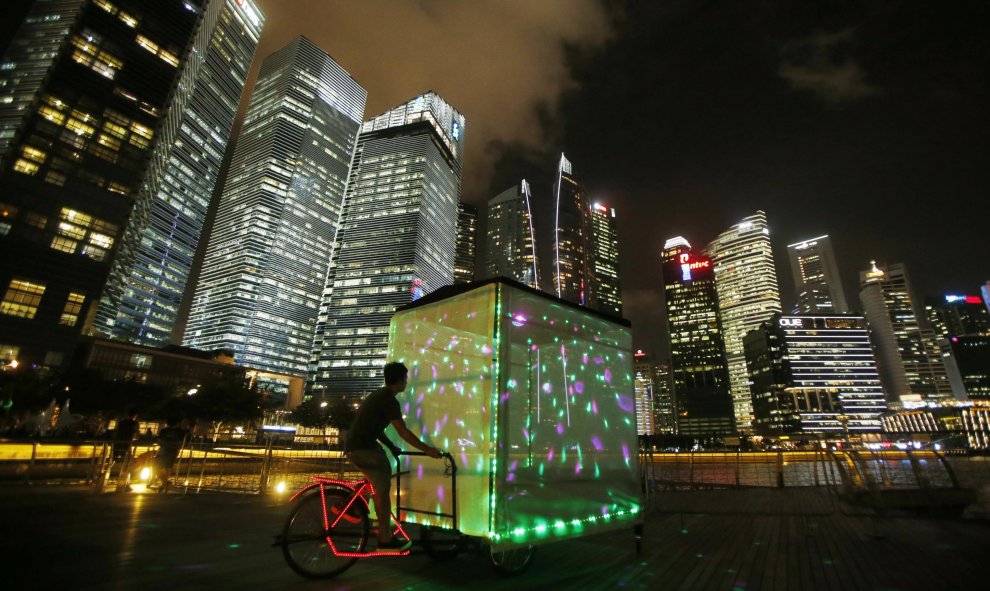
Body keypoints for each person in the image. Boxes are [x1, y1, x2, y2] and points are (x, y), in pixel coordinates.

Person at [345, 361, 441, 552]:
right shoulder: (389, 400)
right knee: (383, 487)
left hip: (354, 447)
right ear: (399, 380)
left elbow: (376, 428)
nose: (407, 382)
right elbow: (403, 431)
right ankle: (384, 539)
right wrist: (427, 449)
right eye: (405, 378)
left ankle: (351, 502)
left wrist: (391, 446)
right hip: (364, 449)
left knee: (378, 472)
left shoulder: (378, 395)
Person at [154, 417, 189, 493]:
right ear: (177, 423)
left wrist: (165, 444)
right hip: (172, 451)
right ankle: (164, 483)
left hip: (163, 450)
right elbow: (182, 443)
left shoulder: (164, 431)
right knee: (167, 468)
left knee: (157, 467)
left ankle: (164, 483)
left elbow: (159, 441)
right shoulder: (179, 432)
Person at [111, 408, 139, 492]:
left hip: (118, 444)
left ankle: (119, 481)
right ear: (135, 416)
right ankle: (125, 484)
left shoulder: (121, 423)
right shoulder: (135, 423)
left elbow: (116, 433)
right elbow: (136, 436)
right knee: (127, 465)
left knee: (116, 461)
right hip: (128, 445)